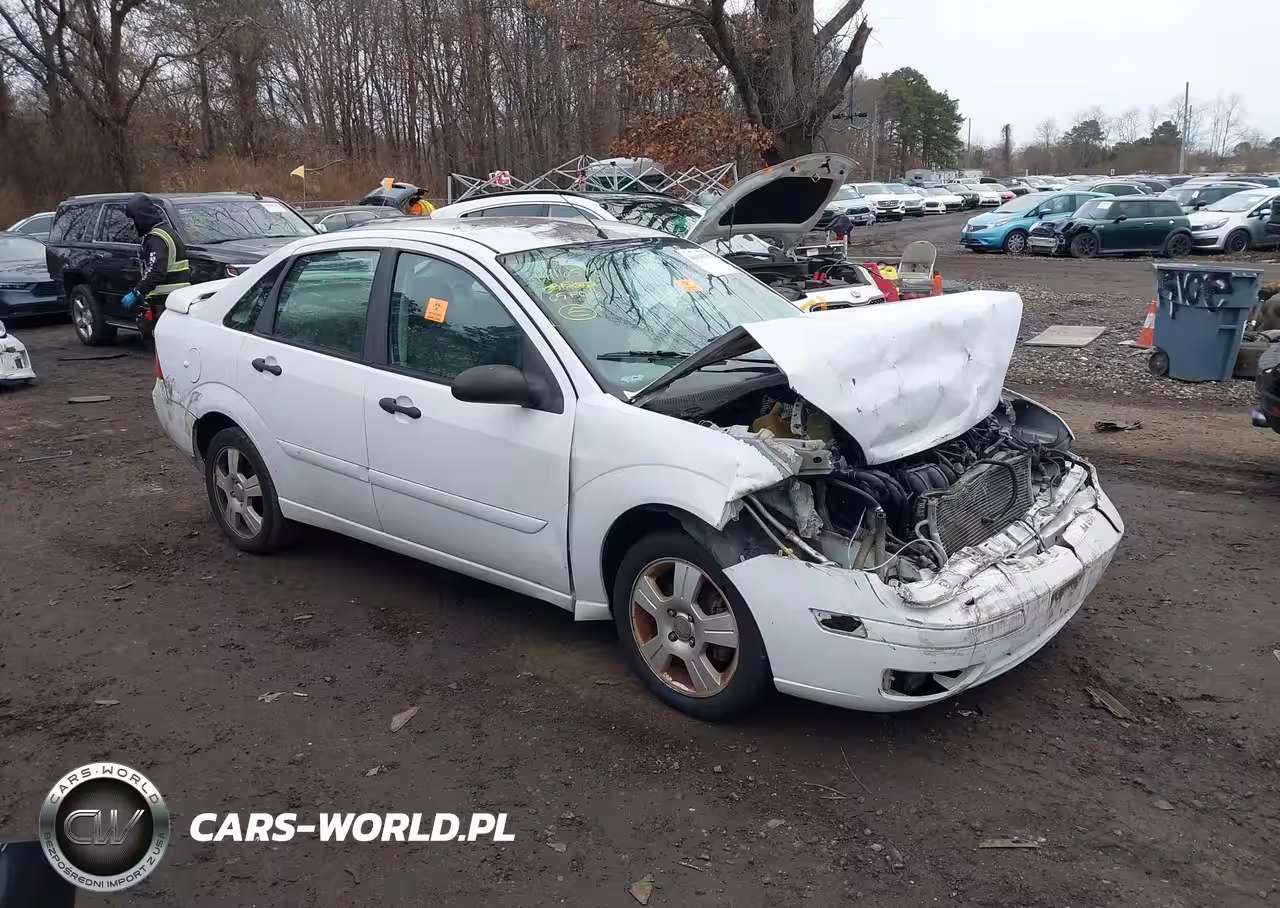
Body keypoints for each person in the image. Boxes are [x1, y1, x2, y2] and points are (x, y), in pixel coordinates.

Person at [120, 194, 190, 321]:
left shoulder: (156, 238)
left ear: (140, 217)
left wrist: (137, 292)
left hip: (164, 301)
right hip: (177, 298)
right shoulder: (168, 232)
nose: (130, 224)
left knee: (156, 337)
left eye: (132, 219)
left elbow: (156, 270)